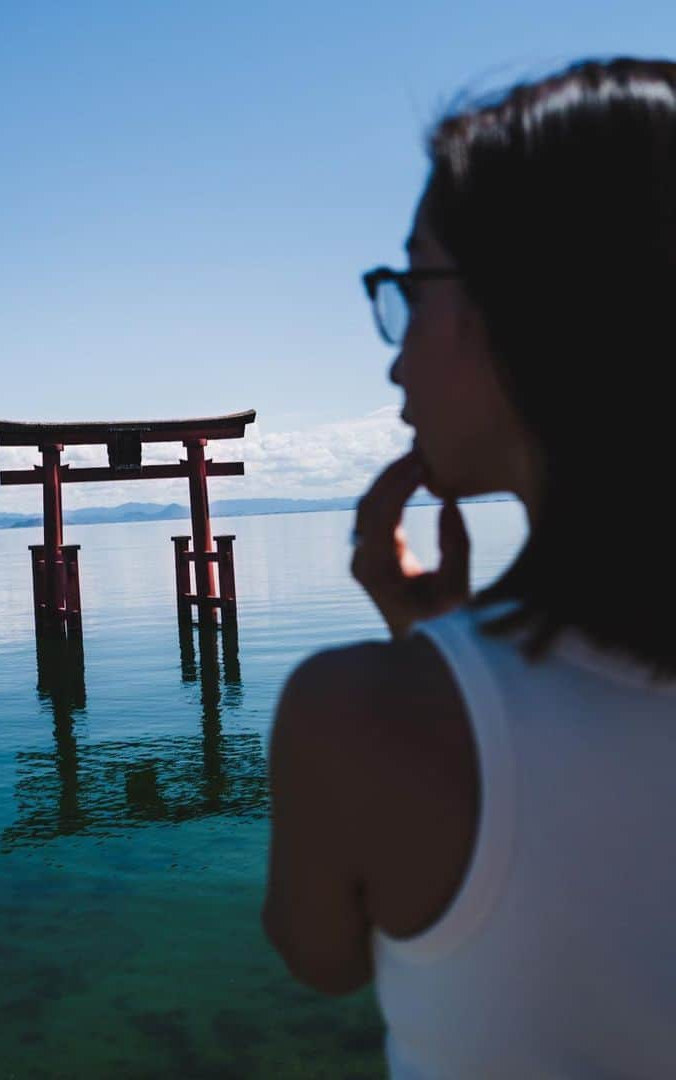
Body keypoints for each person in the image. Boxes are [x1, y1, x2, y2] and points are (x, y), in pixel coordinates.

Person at [262, 57, 676, 1078]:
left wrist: (439, 656)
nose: (393, 357)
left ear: (525, 304)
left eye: (410, 286)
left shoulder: (357, 717)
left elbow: (317, 959)